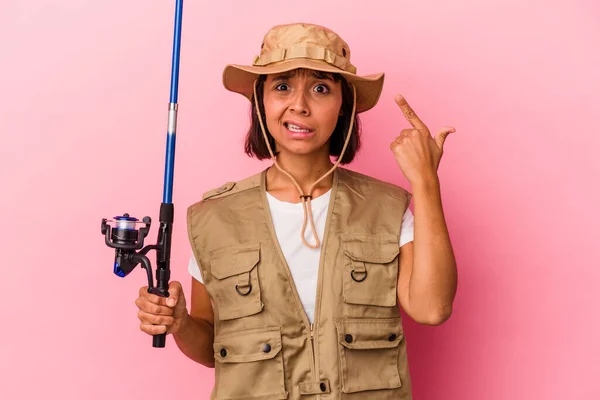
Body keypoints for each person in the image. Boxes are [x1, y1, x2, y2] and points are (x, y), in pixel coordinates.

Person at [134, 22, 457, 399]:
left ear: (343, 105)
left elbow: (432, 308)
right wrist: (180, 322)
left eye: (321, 88)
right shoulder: (214, 218)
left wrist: (426, 183)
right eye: (282, 86)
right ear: (260, 101)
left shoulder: (386, 208)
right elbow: (212, 350)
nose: (299, 105)